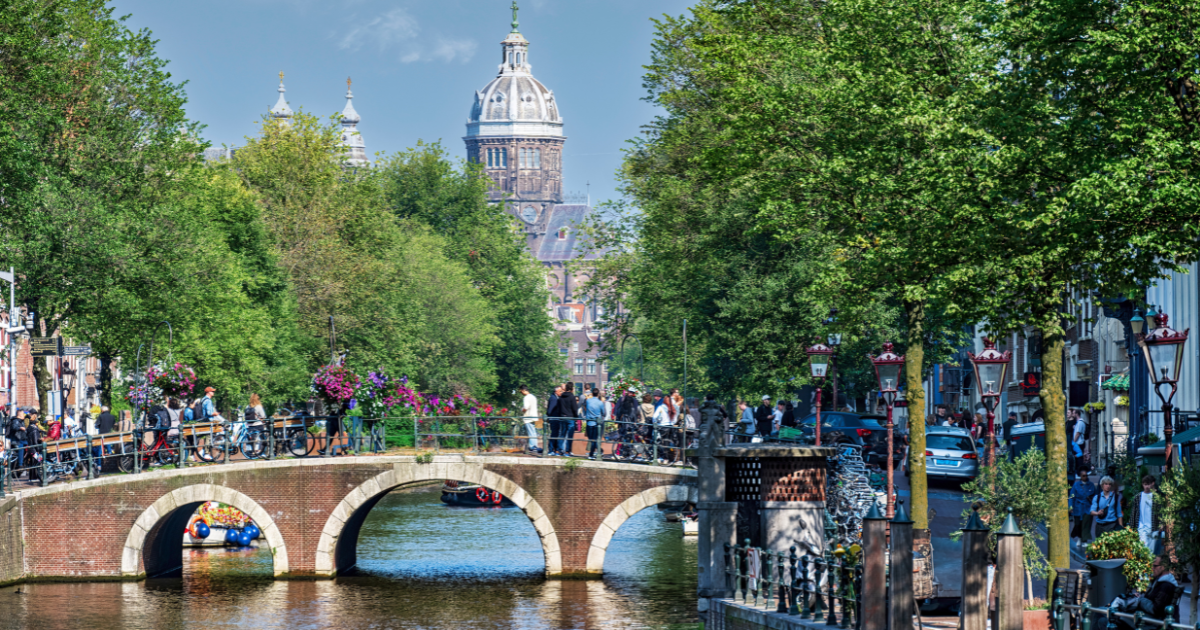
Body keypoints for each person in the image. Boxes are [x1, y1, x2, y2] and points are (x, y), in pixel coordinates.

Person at [1113, 554, 1178, 620]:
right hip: (1150, 618)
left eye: (1155, 566)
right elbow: (1151, 600)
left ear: (1163, 567)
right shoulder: (1159, 582)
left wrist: (1140, 600)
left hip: (1154, 621)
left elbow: (1156, 610)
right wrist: (1139, 597)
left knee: (1119, 617)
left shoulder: (1166, 586)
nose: (1152, 568)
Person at [1129, 474, 1160, 550]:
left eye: (1148, 484)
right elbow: (1133, 514)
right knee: (1144, 549)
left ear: (1152, 484)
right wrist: (1131, 528)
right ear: (1142, 484)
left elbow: (1160, 512)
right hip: (1141, 527)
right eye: (1145, 484)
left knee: (1151, 550)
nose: (1147, 487)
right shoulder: (1138, 497)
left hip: (1154, 527)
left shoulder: (1156, 497)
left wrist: (1161, 524)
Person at [1070, 467, 1097, 549]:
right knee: (1078, 524)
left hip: (1088, 507)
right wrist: (1070, 506)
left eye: (1086, 475)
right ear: (1080, 476)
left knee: (1086, 523)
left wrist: (1095, 506)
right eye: (1083, 476)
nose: (1085, 477)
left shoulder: (1091, 485)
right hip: (1078, 507)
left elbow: (1095, 496)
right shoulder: (1076, 485)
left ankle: (1084, 540)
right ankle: (1079, 538)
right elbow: (1072, 496)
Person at [583, 387, 606, 460]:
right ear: (598, 394)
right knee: (595, 439)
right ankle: (594, 453)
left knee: (591, 439)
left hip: (589, 422)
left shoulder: (588, 401)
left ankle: (595, 452)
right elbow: (604, 413)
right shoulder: (600, 403)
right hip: (597, 423)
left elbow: (584, 406)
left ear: (592, 394)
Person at [652, 392, 676, 464]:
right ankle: (668, 458)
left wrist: (655, 423)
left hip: (662, 426)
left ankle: (661, 457)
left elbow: (654, 417)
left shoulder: (661, 407)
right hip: (670, 427)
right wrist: (671, 423)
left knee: (660, 442)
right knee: (667, 443)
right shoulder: (672, 408)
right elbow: (675, 419)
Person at [558, 382, 579, 456]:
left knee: (562, 434)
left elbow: (559, 407)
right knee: (570, 435)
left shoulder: (561, 397)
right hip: (570, 417)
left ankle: (560, 450)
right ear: (572, 389)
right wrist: (576, 417)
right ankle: (567, 451)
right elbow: (575, 408)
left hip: (562, 417)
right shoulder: (572, 397)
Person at [520, 385, 541, 453]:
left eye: (521, 391)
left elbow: (526, 407)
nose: (521, 393)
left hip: (528, 417)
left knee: (530, 433)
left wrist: (521, 410)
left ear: (523, 390)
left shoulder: (526, 398)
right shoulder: (533, 397)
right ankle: (535, 446)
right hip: (534, 417)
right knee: (533, 432)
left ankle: (532, 447)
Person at [546, 385, 563, 456]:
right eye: (560, 391)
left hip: (555, 418)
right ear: (556, 391)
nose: (561, 392)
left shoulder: (556, 397)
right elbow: (550, 410)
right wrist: (550, 416)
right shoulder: (553, 399)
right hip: (554, 419)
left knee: (555, 434)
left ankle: (554, 449)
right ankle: (550, 450)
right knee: (554, 434)